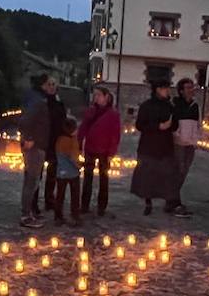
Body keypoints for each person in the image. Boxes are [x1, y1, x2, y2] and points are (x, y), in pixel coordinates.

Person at [130, 77, 189, 217]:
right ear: (158, 90)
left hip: (165, 147)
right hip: (149, 147)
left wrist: (171, 125)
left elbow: (174, 125)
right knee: (148, 177)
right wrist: (158, 126)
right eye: (165, 88)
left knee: (169, 175)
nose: (168, 91)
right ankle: (148, 202)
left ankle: (172, 202)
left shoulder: (169, 106)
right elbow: (140, 125)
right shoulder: (146, 106)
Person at [78, 86, 121, 217]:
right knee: (87, 178)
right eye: (94, 95)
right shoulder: (90, 111)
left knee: (104, 179)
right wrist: (79, 144)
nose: (95, 97)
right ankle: (84, 205)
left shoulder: (113, 114)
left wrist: (111, 152)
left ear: (106, 97)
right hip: (90, 148)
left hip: (104, 150)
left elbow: (115, 134)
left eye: (98, 95)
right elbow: (83, 128)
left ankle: (101, 206)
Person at [17, 76, 54, 228]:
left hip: (37, 145)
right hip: (35, 147)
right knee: (31, 181)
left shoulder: (35, 98)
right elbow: (25, 121)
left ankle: (28, 213)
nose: (50, 87)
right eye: (48, 84)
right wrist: (30, 138)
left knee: (32, 180)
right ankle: (26, 215)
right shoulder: (38, 101)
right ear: (42, 85)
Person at [171, 78, 201, 206]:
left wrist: (195, 139)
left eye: (192, 87)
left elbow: (197, 124)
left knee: (184, 170)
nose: (191, 90)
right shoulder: (175, 104)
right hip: (178, 142)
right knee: (178, 170)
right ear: (181, 91)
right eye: (188, 87)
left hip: (190, 143)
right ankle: (173, 200)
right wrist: (177, 135)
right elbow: (173, 122)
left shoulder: (195, 106)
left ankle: (173, 197)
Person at [41, 80, 67, 212]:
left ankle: (49, 200)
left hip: (55, 142)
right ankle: (33, 203)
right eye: (49, 84)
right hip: (42, 141)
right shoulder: (41, 103)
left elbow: (63, 121)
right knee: (37, 174)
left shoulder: (59, 104)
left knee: (52, 174)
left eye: (53, 84)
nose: (51, 87)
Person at [52, 116, 83, 225]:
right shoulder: (71, 142)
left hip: (61, 172)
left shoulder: (59, 140)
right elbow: (73, 157)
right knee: (75, 195)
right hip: (73, 173)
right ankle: (75, 215)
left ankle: (58, 216)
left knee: (60, 195)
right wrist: (80, 165)